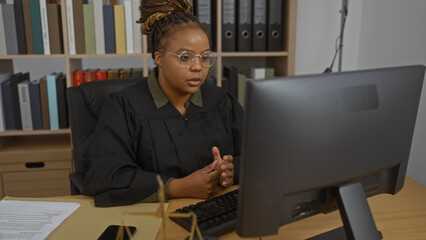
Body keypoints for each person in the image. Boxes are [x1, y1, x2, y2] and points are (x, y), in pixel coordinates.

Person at [82, 0, 244, 207]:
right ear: (159, 58)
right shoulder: (124, 107)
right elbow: (107, 175)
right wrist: (177, 187)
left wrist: (231, 171)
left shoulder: (222, 102)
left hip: (215, 209)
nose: (198, 67)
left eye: (204, 57)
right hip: (155, 217)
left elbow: (256, 156)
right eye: (185, 57)